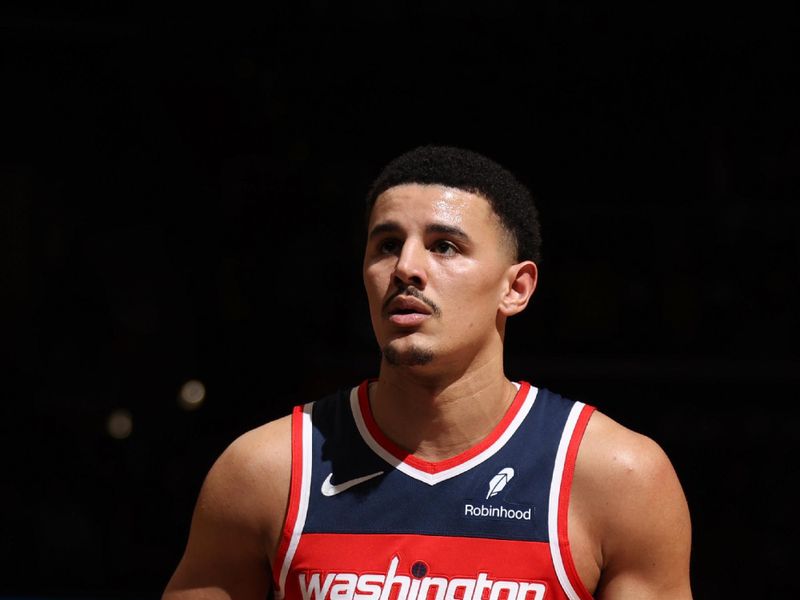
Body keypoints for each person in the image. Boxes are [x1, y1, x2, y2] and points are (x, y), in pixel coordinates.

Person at [162, 145, 693, 600]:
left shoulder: (618, 478)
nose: (406, 267)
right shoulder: (264, 472)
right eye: (387, 244)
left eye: (444, 246)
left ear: (517, 288)